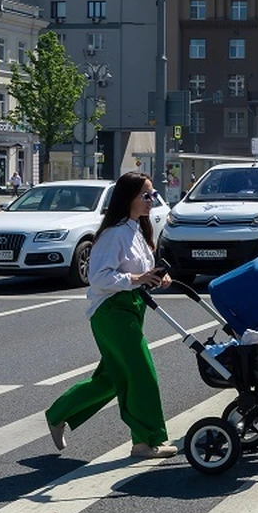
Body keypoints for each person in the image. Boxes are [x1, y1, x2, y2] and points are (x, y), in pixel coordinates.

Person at [45, 171, 178, 459]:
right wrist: (137, 278)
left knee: (112, 378)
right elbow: (99, 278)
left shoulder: (137, 229)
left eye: (153, 195)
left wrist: (155, 278)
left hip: (130, 308)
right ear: (128, 197)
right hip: (112, 311)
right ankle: (145, 441)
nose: (151, 200)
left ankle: (58, 413)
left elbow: (139, 273)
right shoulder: (114, 233)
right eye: (146, 195)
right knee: (142, 373)